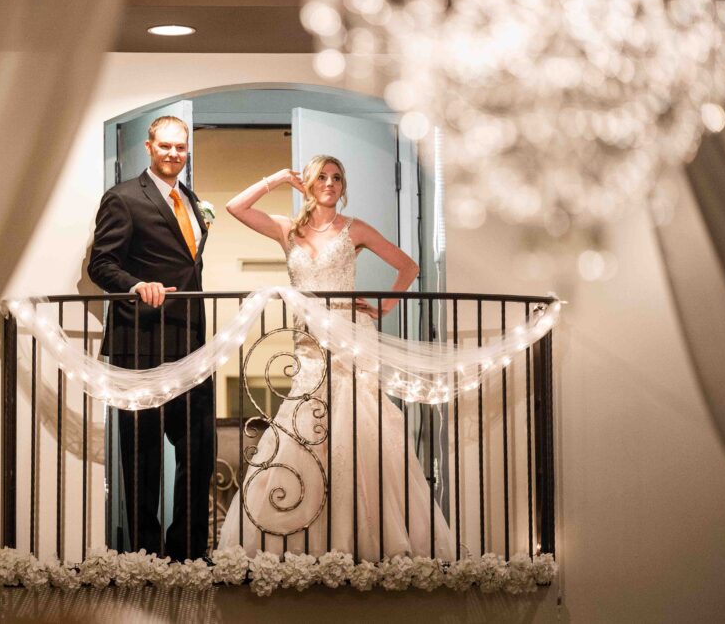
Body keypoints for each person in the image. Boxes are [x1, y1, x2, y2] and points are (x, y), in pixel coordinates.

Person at [217, 155, 456, 560]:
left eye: (337, 178)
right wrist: (275, 177)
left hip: (348, 344)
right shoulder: (286, 230)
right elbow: (235, 207)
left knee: (357, 429)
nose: (330, 183)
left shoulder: (354, 229)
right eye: (322, 177)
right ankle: (301, 541)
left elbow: (408, 266)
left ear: (343, 188)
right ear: (307, 184)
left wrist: (384, 308)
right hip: (308, 349)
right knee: (303, 430)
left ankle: (363, 539)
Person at [87, 116, 214, 561]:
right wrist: (137, 285)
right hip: (140, 343)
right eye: (165, 146)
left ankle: (189, 551)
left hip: (192, 346)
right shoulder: (122, 198)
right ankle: (144, 555)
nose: (173, 154)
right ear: (149, 146)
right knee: (142, 459)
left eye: (181, 148)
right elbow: (101, 265)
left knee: (199, 450)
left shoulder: (192, 200)